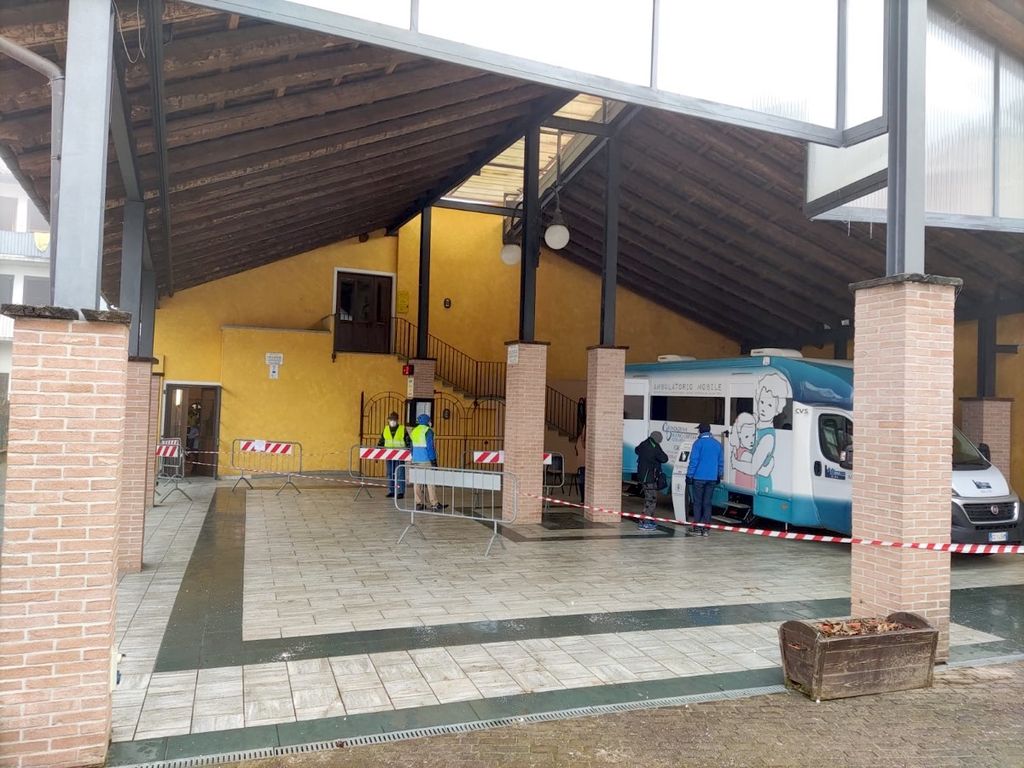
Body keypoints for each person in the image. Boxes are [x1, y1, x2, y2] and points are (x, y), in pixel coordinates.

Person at [685, 422, 724, 537]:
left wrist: (689, 475)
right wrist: (719, 475)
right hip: (712, 478)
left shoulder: (698, 443)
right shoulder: (717, 444)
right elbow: (721, 462)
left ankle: (697, 527)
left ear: (701, 431)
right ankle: (706, 528)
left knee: (697, 503)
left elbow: (694, 461)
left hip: (698, 478)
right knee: (707, 503)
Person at [410, 413, 445, 511]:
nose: (430, 422)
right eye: (429, 421)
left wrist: (414, 457)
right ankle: (434, 503)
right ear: (427, 421)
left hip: (415, 459)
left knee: (417, 482)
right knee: (430, 482)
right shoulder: (428, 431)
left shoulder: (414, 431)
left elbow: (411, 447)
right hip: (426, 460)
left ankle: (418, 503)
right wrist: (433, 460)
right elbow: (430, 447)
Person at [634, 431, 668, 532]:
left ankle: (646, 519)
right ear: (657, 439)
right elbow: (664, 458)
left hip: (643, 476)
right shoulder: (654, 448)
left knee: (648, 499)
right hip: (649, 477)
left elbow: (636, 450)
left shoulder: (644, 443)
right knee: (651, 499)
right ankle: (646, 522)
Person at [378, 411, 411, 499]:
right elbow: (381, 441)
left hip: (400, 454)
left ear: (397, 420)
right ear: (388, 420)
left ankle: (400, 492)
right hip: (388, 454)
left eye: (394, 420)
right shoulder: (386, 429)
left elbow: (408, 441)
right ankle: (392, 491)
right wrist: (378, 453)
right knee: (390, 473)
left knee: (400, 473)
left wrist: (409, 453)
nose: (392, 421)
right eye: (391, 420)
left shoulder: (402, 429)